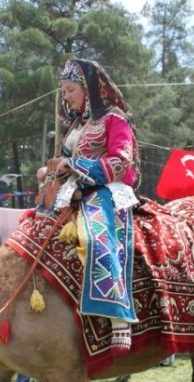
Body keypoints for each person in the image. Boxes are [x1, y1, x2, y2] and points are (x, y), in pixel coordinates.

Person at [38, 58, 141, 356]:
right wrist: (51, 170)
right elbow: (64, 159)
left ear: (88, 89)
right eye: (64, 91)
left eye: (70, 89)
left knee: (95, 235)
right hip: (70, 190)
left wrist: (75, 164)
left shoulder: (114, 119)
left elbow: (121, 161)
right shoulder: (76, 124)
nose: (66, 96)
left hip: (105, 189)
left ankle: (118, 314)